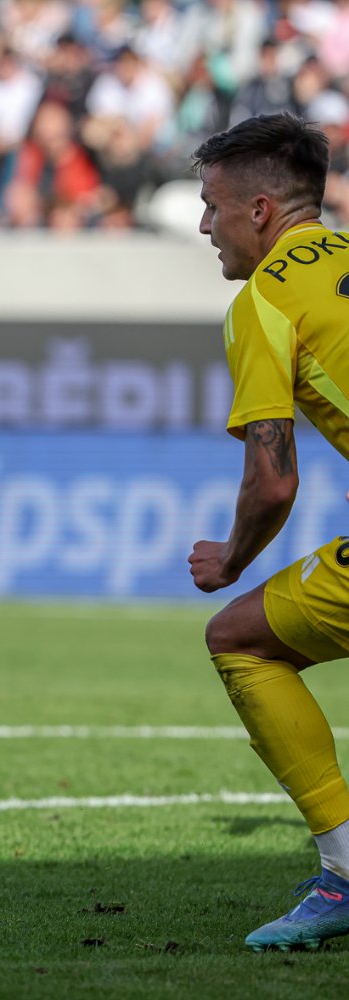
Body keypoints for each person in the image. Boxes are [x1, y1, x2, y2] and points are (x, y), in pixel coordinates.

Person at [189, 112, 349, 951]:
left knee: (239, 638)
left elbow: (273, 479)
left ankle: (347, 871)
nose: (204, 227)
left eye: (211, 207)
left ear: (259, 211)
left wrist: (231, 557)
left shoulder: (265, 300)